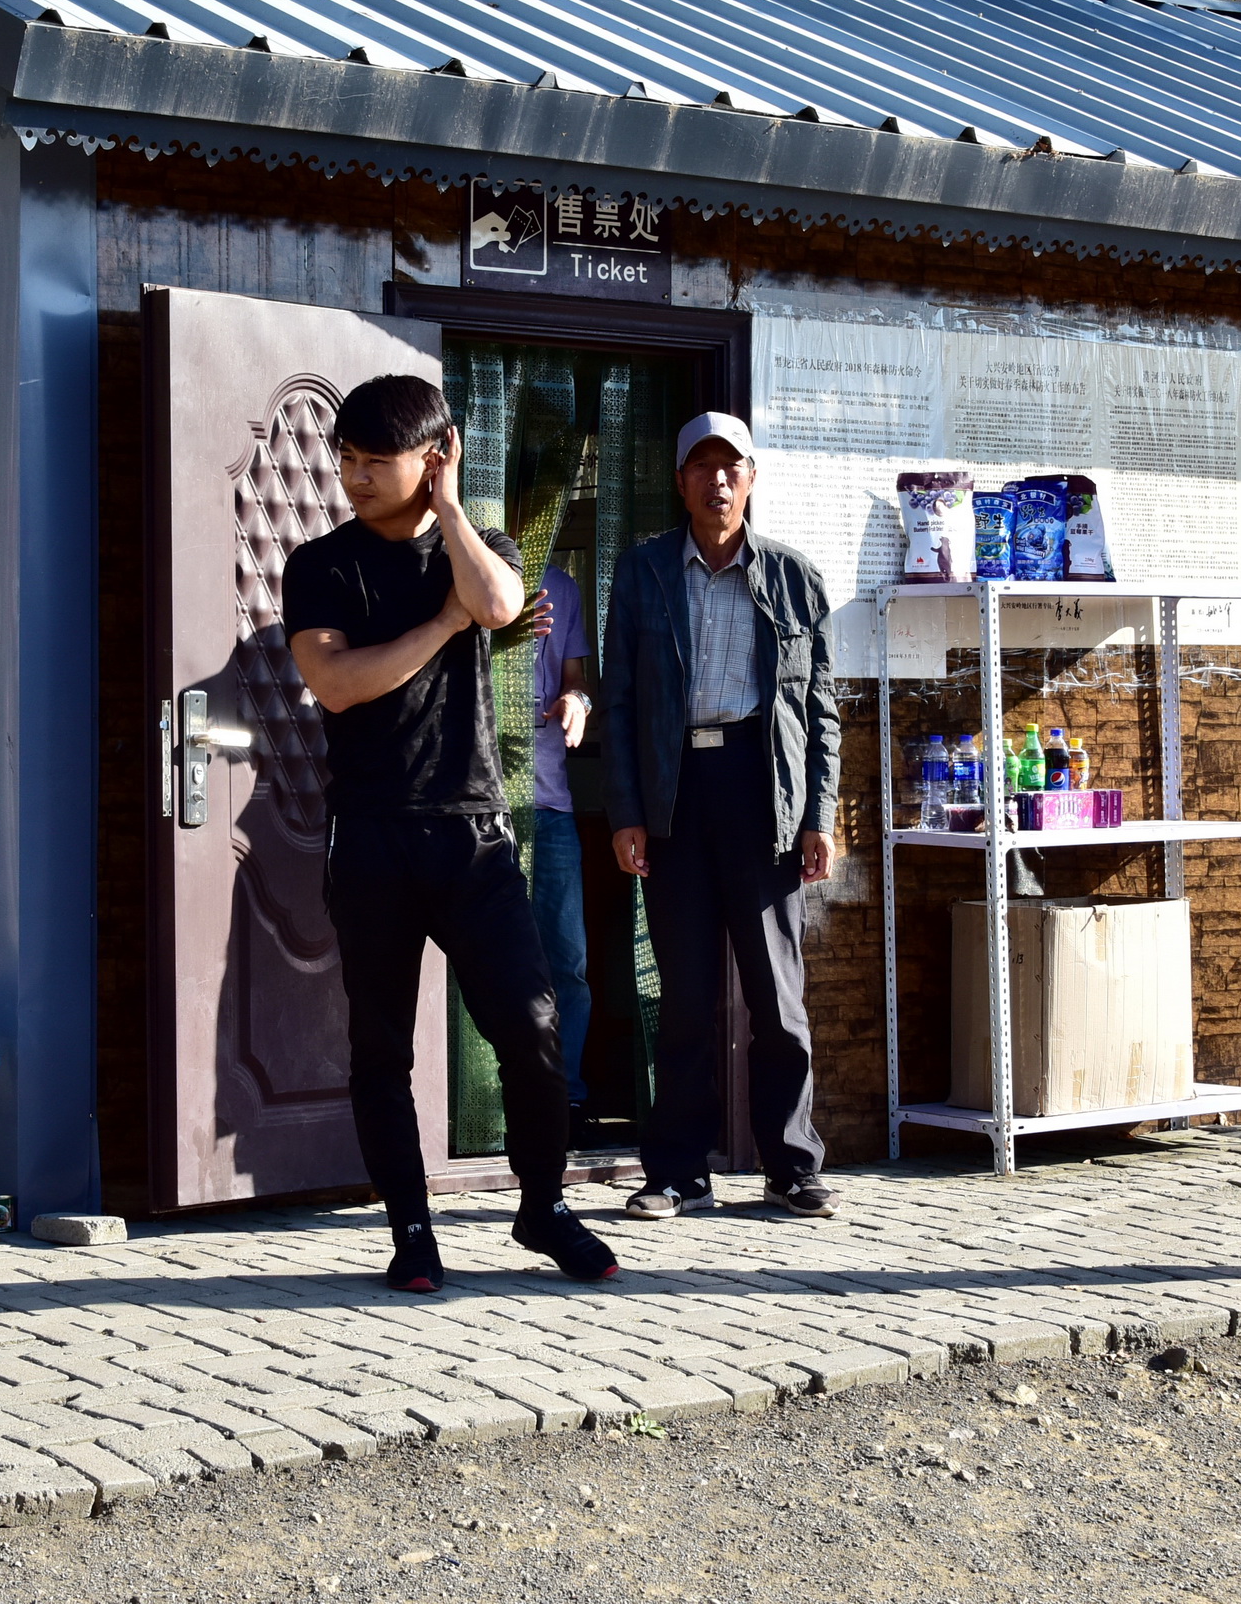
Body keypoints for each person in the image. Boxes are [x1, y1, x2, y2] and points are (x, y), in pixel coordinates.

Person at [282, 375, 618, 1293]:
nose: (354, 476)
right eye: (346, 459)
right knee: (382, 1049)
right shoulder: (320, 565)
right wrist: (440, 623)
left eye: (374, 461)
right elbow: (340, 684)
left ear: (434, 459)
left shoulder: (481, 547)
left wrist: (452, 509)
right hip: (371, 836)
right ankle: (411, 1230)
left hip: (472, 834)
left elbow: (501, 607)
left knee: (532, 1023)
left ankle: (543, 1208)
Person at [601, 410, 842, 1219]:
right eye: (702, 467)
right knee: (684, 997)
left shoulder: (794, 576)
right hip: (674, 793)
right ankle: (678, 1172)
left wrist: (819, 813)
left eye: (731, 467)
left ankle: (792, 1166)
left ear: (751, 479)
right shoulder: (642, 572)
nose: (718, 481)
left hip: (761, 789)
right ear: (680, 482)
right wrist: (626, 810)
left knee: (777, 998)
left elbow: (821, 711)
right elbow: (620, 701)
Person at [525, 566, 597, 1135]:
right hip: (475, 805)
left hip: (551, 804)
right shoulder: (455, 567)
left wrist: (576, 700)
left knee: (567, 962)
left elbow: (576, 679)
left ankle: (565, 1096)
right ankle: (483, 1107)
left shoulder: (562, 585)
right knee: (486, 961)